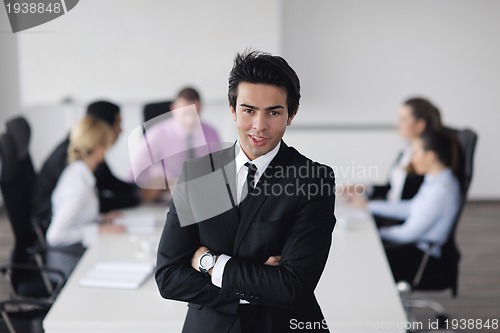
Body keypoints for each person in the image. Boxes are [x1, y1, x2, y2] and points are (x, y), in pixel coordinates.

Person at [155, 51, 336, 333]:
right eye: (248, 110)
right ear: (232, 109)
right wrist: (257, 287)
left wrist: (210, 263)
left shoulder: (313, 179)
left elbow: (292, 287)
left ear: (291, 115)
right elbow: (169, 277)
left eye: (274, 112)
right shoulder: (197, 174)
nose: (259, 126)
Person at [32, 100, 141, 230]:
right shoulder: (74, 166)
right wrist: (137, 197)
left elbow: (109, 184)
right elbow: (90, 202)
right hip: (49, 225)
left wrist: (139, 191)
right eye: (118, 123)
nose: (121, 130)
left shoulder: (85, 155)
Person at [370, 130, 461, 283]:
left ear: (430, 156)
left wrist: (375, 234)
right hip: (413, 248)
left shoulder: (441, 190)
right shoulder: (435, 179)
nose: (412, 159)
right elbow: (410, 208)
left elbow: (408, 233)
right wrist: (369, 206)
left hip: (422, 259)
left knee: (368, 256)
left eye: (415, 153)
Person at [45, 116, 125, 275]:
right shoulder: (79, 186)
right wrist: (99, 229)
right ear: (100, 148)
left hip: (79, 250)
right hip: (68, 260)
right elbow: (55, 235)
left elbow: (78, 218)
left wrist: (102, 219)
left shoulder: (80, 172)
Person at [129, 87, 220, 200]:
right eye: (185, 113)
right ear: (173, 108)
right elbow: (133, 175)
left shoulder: (211, 133)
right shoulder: (157, 134)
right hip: (165, 198)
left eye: (195, 113)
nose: (190, 120)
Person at [369, 97, 442, 202]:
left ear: (419, 125)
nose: (398, 125)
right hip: (388, 208)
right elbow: (392, 188)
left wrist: (370, 206)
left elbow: (412, 206)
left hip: (397, 214)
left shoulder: (426, 160)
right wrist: (365, 189)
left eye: (403, 120)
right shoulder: (406, 150)